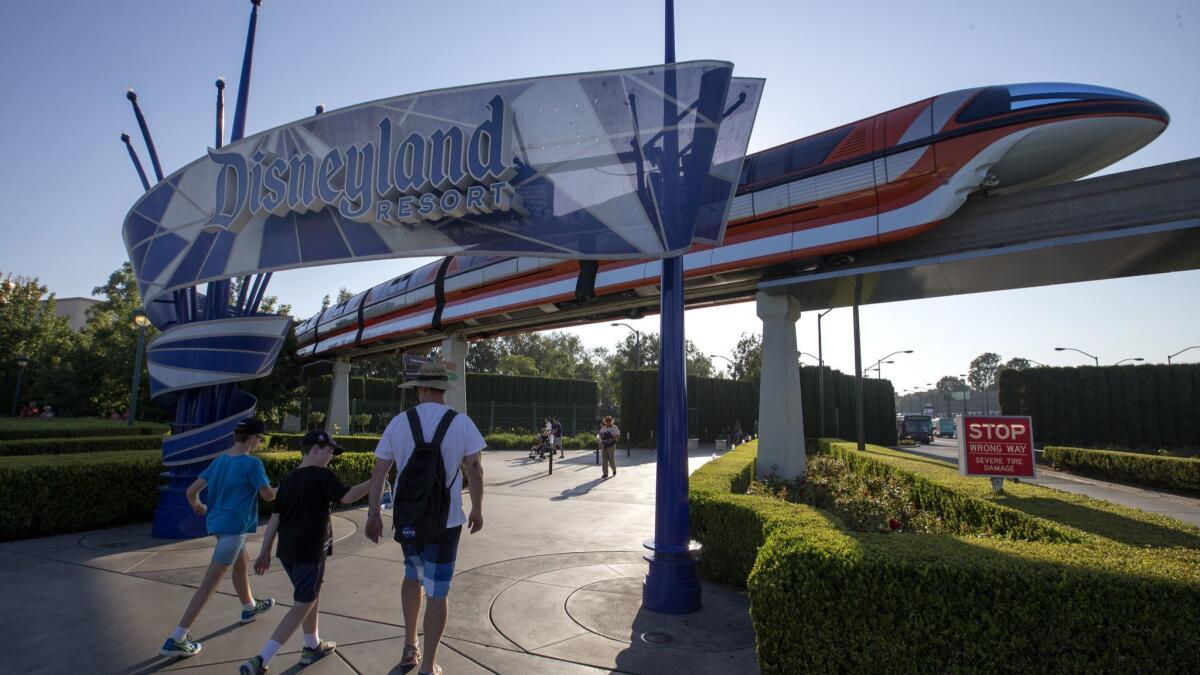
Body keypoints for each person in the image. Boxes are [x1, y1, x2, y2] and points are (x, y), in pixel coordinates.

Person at [366, 361, 486, 675]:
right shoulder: (461, 423)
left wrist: (374, 513)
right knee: (437, 589)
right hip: (445, 523)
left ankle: (410, 646)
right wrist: (476, 507)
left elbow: (380, 471)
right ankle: (428, 666)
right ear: (443, 390)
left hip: (409, 520)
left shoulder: (399, 423)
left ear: (420, 389)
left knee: (412, 574)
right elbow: (474, 469)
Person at [239, 430, 372, 674]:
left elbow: (275, 519)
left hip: (287, 551)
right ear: (315, 449)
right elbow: (348, 497)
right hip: (310, 550)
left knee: (311, 595)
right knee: (304, 602)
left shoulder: (288, 479)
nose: (331, 456)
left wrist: (266, 551)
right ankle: (262, 659)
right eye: (329, 451)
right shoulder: (323, 476)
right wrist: (376, 480)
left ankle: (312, 645)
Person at [159, 418, 277, 658]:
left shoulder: (219, 461)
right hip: (234, 529)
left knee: (241, 563)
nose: (260, 442)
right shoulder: (252, 464)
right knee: (209, 585)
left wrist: (198, 506)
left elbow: (191, 491)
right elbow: (268, 496)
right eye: (261, 438)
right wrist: (290, 486)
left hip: (219, 526)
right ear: (253, 438)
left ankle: (249, 607)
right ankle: (177, 639)